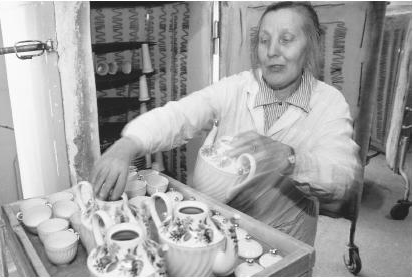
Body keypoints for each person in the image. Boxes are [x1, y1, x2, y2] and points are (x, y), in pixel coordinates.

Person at [90, 1, 362, 245]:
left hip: (283, 239)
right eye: (264, 40)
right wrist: (128, 144)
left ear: (311, 46)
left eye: (286, 39)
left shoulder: (328, 102)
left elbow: (342, 179)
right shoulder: (238, 87)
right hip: (222, 228)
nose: (272, 51)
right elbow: (181, 114)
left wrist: (291, 159)